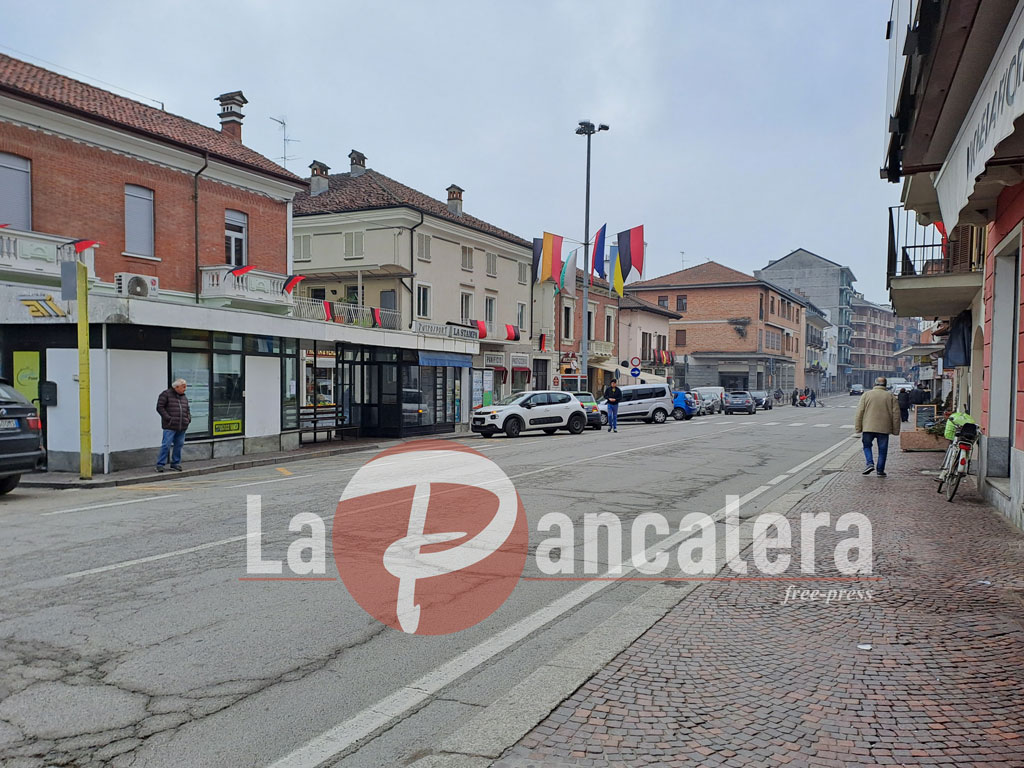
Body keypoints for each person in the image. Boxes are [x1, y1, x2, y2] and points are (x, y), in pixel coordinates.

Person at [854, 376, 901, 477]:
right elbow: (896, 414)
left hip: (868, 427)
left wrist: (858, 427)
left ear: (874, 384)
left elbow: (860, 412)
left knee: (866, 446)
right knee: (882, 449)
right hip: (884, 428)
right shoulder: (890, 396)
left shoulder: (866, 395)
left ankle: (869, 463)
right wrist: (896, 430)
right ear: (885, 385)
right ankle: (880, 470)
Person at [156, 378, 191, 472]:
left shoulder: (184, 397)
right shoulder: (166, 394)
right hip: (170, 425)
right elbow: (160, 407)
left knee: (179, 445)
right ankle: (160, 464)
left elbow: (187, 409)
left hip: (182, 425)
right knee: (166, 444)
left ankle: (175, 463)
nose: (185, 388)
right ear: (176, 387)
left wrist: (188, 419)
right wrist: (168, 418)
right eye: (183, 387)